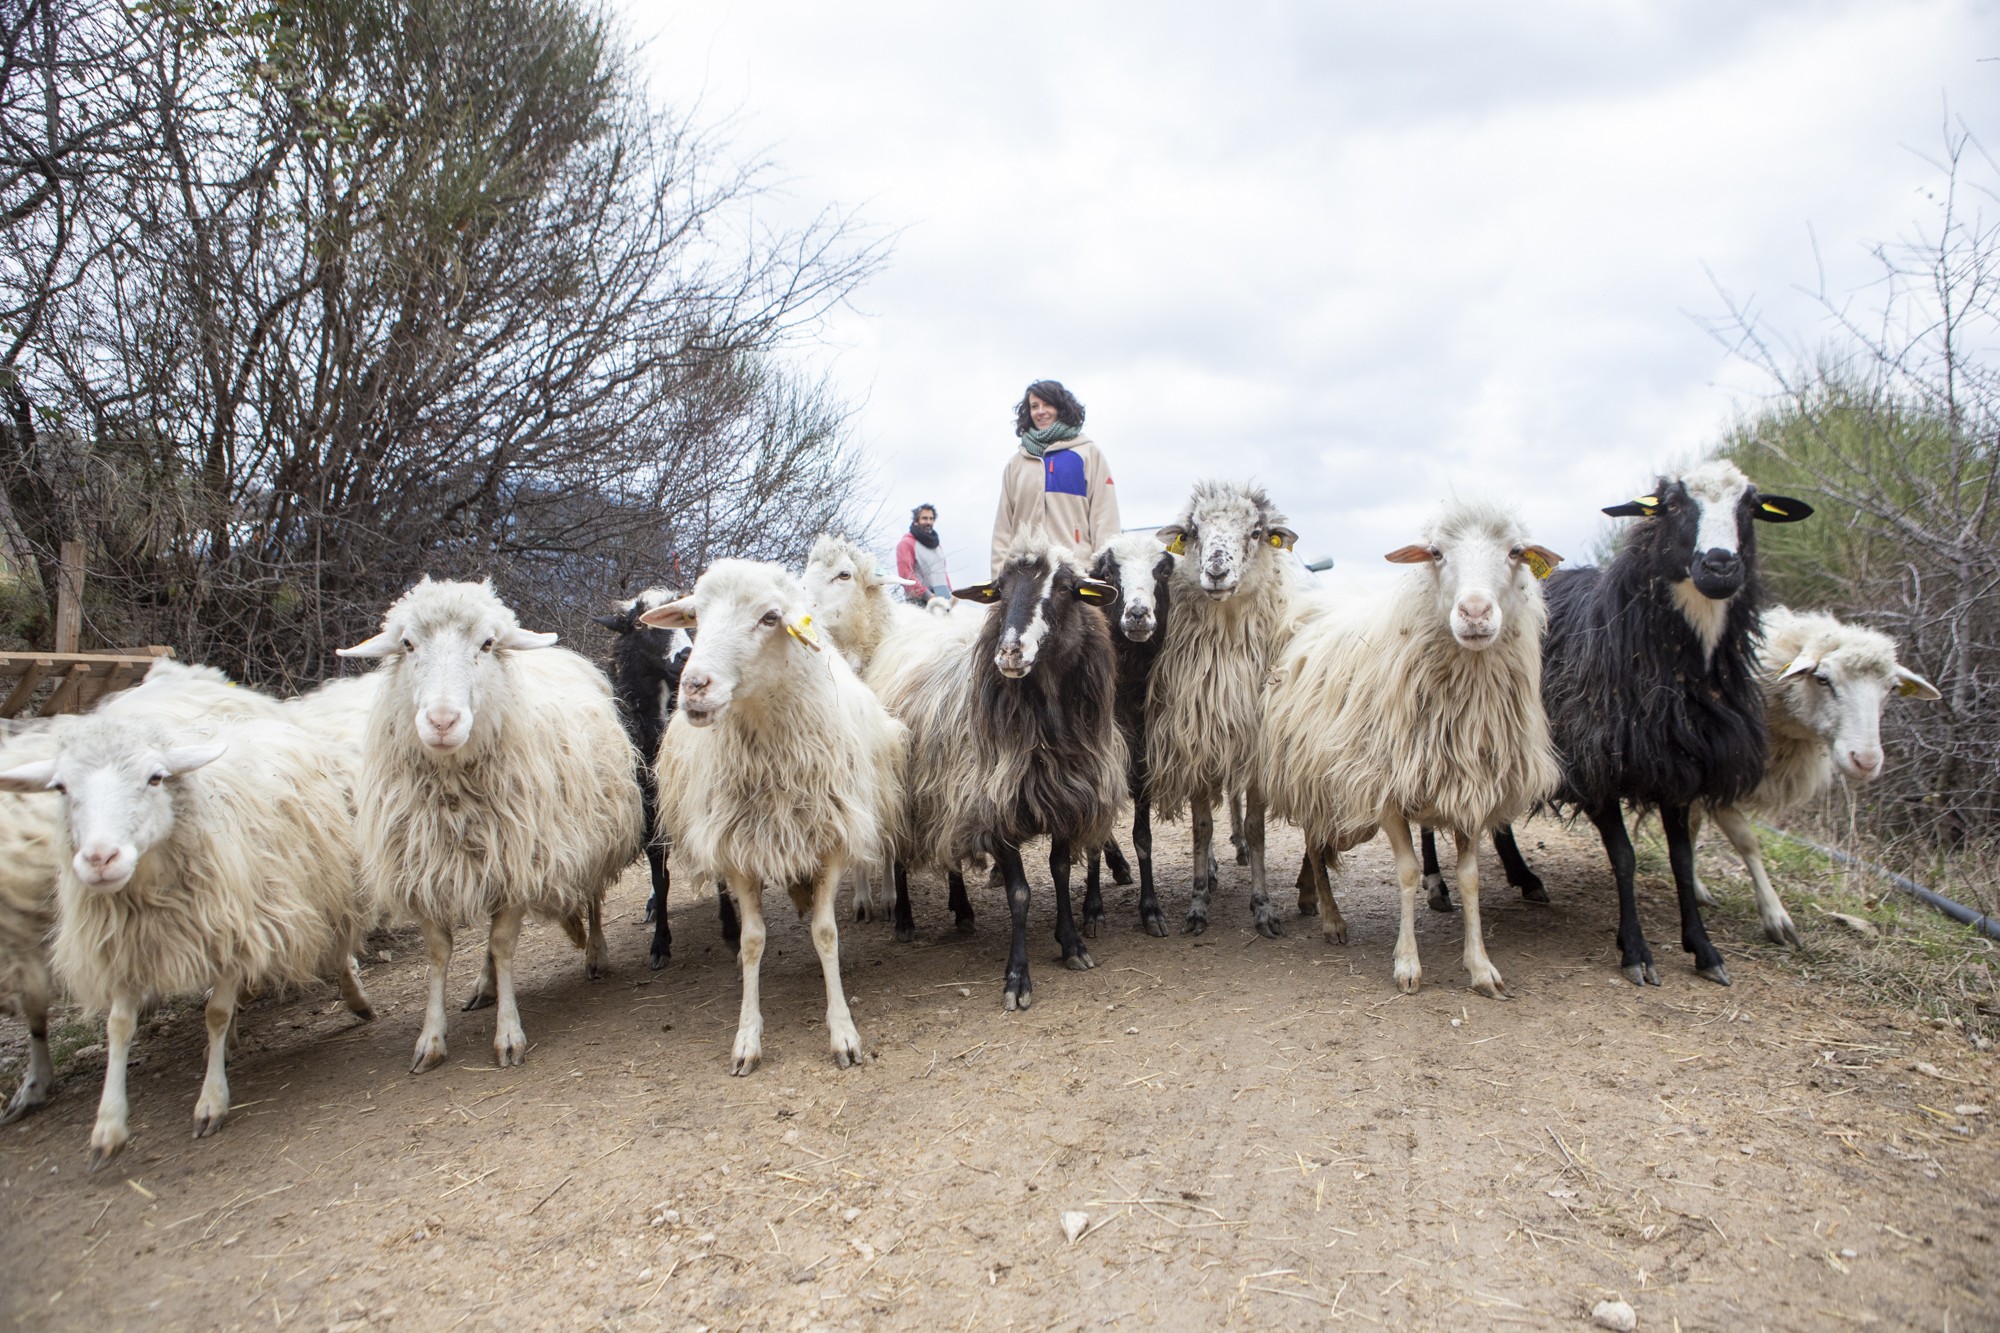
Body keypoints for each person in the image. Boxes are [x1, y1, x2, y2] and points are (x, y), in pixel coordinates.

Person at [989, 379, 1121, 575]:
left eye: (1047, 404)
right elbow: (1003, 527)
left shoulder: (1088, 454)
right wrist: (998, 576)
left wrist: (1105, 573)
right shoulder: (1016, 463)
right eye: (1034, 406)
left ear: (1061, 408)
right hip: (1024, 577)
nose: (1041, 411)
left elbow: (1105, 517)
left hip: (1075, 572)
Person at [896, 502, 952, 605]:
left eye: (931, 519)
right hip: (921, 604)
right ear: (916, 521)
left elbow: (943, 573)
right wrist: (928, 596)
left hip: (943, 603)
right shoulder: (906, 543)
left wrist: (951, 594)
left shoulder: (937, 546)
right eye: (924, 518)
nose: (928, 522)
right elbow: (905, 574)